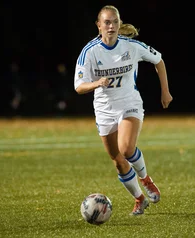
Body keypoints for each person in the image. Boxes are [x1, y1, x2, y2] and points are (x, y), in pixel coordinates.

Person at [74, 5, 173, 215]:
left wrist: (165, 91)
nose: (111, 26)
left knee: (127, 149)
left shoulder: (131, 46)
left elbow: (159, 61)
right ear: (98, 25)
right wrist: (96, 83)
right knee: (118, 161)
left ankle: (146, 179)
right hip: (104, 111)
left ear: (120, 24)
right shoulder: (89, 52)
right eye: (107, 22)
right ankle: (139, 200)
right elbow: (79, 86)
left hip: (130, 104)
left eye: (115, 22)